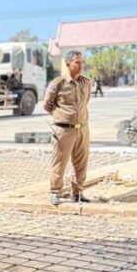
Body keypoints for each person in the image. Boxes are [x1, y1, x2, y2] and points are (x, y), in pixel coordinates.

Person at [45, 50, 93, 205]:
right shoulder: (58, 83)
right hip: (64, 130)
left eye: (82, 62)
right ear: (68, 64)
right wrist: (63, 116)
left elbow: (85, 102)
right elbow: (47, 105)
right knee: (59, 162)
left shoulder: (87, 83)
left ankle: (78, 193)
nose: (81, 65)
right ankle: (55, 192)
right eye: (77, 62)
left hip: (82, 129)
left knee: (81, 163)